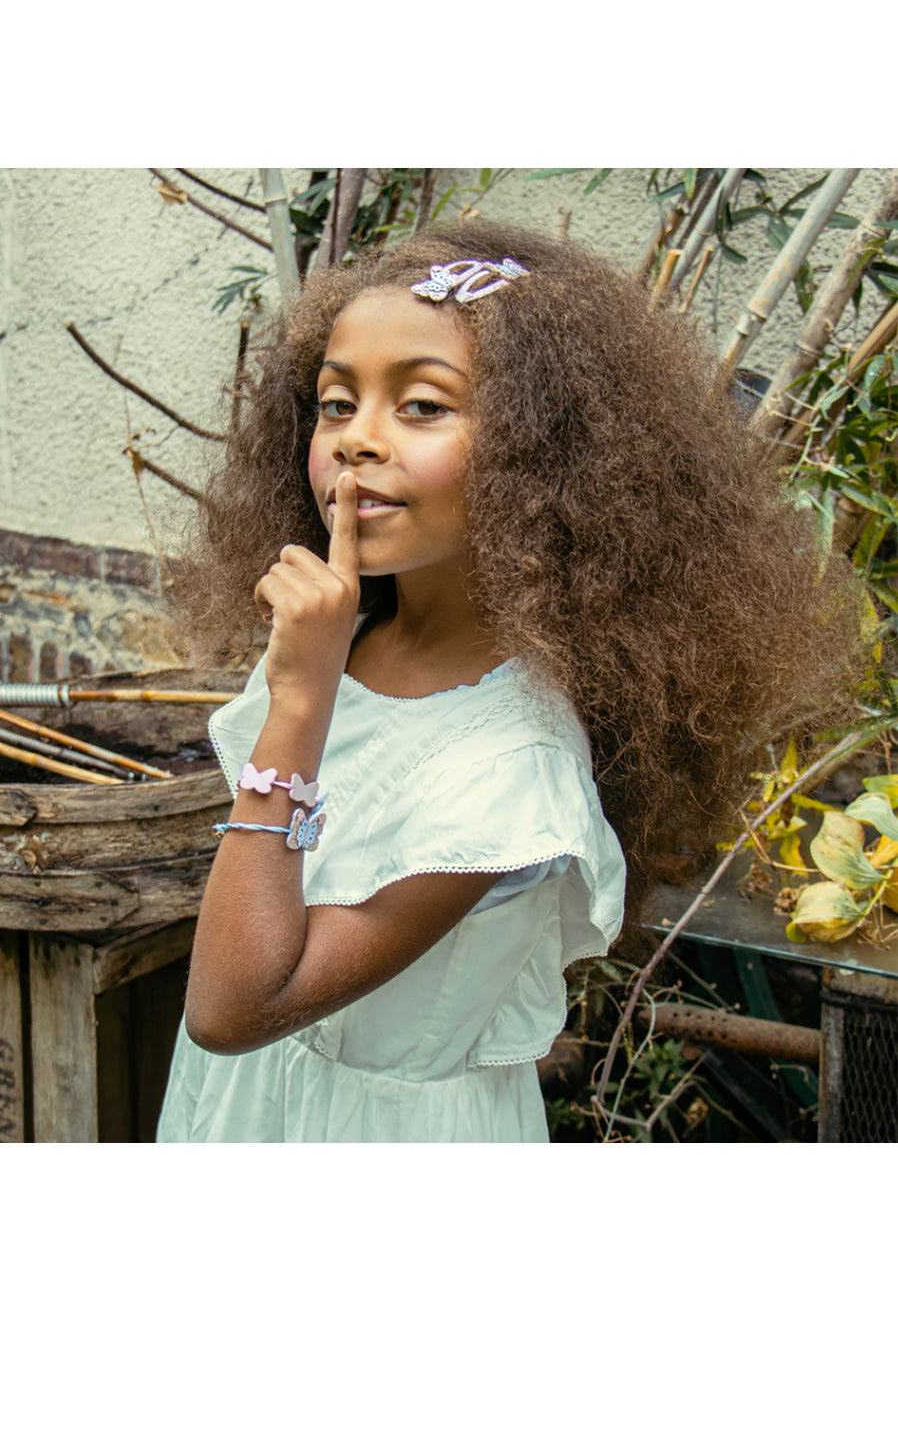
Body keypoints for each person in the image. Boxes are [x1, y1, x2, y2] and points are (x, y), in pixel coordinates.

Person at [156, 218, 864, 1143]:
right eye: (337, 402)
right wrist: (311, 678)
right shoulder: (346, 640)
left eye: (422, 406)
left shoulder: (510, 763)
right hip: (236, 1114)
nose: (358, 440)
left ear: (540, 455)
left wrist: (298, 703)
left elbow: (234, 1007)